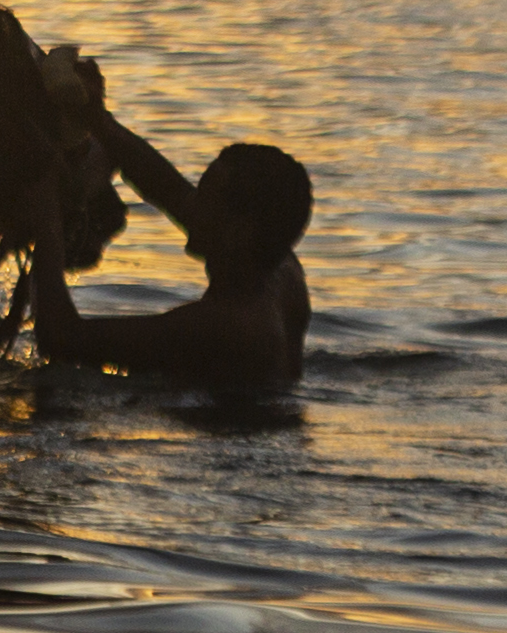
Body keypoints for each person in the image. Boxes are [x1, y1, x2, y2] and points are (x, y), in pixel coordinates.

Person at [21, 75, 312, 394]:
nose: (190, 204)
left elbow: (61, 339)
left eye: (204, 199)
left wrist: (46, 221)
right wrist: (98, 120)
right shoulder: (282, 270)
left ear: (239, 231)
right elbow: (169, 189)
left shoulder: (226, 325)